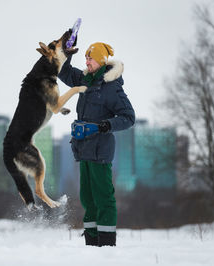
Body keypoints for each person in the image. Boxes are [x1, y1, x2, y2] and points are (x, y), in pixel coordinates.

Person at [59, 41, 135, 247]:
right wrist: (67, 53)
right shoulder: (84, 80)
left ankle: (107, 245)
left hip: (101, 151)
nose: (87, 61)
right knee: (87, 199)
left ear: (101, 61)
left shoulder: (112, 87)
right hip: (83, 150)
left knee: (103, 199)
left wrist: (105, 125)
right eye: (85, 57)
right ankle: (92, 245)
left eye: (90, 58)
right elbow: (63, 71)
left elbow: (129, 117)